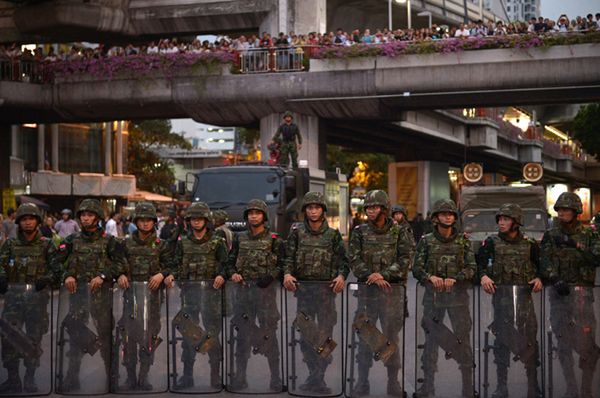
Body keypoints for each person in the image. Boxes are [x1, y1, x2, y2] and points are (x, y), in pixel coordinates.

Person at [283, 192, 349, 394]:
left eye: (317, 207)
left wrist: (341, 276)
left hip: (326, 294)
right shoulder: (297, 232)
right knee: (305, 336)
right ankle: (314, 374)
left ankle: (319, 377)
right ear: (305, 211)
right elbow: (288, 257)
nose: (313, 211)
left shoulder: (333, 235)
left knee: (325, 336)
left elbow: (343, 261)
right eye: (309, 208)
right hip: (304, 293)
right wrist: (286, 274)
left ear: (323, 211)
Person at [56, 199, 125, 392]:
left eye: (90, 215)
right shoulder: (71, 241)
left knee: (105, 338)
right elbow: (55, 262)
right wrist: (66, 275)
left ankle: (111, 377)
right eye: (83, 215)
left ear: (97, 218)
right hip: (78, 298)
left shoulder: (109, 241)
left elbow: (121, 264)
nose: (86, 219)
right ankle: (72, 377)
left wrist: (103, 276)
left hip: (102, 299)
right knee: (77, 338)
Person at [348, 190, 411, 397]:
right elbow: (354, 260)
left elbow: (404, 260)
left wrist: (382, 275)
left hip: (392, 295)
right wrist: (373, 276)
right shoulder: (359, 231)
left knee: (391, 339)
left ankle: (393, 382)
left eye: (375, 207)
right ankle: (362, 382)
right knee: (366, 337)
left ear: (384, 209)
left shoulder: (399, 231)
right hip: (367, 294)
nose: (370, 211)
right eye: (368, 207)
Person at [476, 204, 543, 398]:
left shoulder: (530, 244)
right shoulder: (490, 242)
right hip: (501, 302)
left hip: (525, 302)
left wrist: (539, 278)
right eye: (499, 219)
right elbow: (479, 265)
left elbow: (542, 267)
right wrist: (483, 277)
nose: (501, 223)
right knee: (502, 343)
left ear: (516, 222)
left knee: (530, 342)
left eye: (506, 219)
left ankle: (533, 385)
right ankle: (501, 386)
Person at [412, 199, 476, 398]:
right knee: (430, 343)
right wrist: (429, 277)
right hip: (433, 299)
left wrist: (455, 279)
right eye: (443, 214)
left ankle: (467, 388)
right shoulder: (426, 241)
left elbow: (472, 268)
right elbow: (416, 268)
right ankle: (427, 387)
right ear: (436, 218)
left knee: (463, 341)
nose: (448, 216)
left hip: (458, 300)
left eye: (451, 214)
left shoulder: (463, 242)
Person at [541, 192, 600, 398]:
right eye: (559, 210)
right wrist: (553, 278)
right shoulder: (551, 234)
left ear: (576, 211)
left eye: (566, 209)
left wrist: (574, 244)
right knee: (563, 342)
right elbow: (544, 260)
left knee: (587, 344)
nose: (562, 213)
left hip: (583, 296)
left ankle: (586, 388)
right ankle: (571, 387)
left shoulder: (589, 235)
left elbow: (596, 258)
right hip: (559, 295)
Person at [0, 204, 61, 394]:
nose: (28, 222)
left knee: (33, 341)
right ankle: (13, 378)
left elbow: (57, 269)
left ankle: (30, 378)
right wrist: (2, 277)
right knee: (9, 339)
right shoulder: (10, 244)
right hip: (13, 301)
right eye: (24, 219)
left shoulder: (47, 244)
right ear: (19, 222)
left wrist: (47, 279)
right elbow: (1, 264)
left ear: (37, 221)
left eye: (31, 219)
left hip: (37, 302)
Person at [226, 199, 284, 391]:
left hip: (265, 296)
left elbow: (284, 265)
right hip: (243, 296)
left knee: (270, 337)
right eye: (250, 213)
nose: (253, 216)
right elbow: (229, 263)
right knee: (242, 337)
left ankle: (275, 378)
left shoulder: (274, 240)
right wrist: (232, 273)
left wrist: (271, 276)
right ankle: (240, 377)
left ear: (264, 216)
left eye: (257, 213)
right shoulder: (239, 238)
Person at [116, 202, 174, 391]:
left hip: (153, 301)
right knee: (129, 339)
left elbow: (172, 265)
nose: (146, 223)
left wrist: (162, 274)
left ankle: (144, 376)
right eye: (142, 220)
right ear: (136, 221)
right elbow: (116, 263)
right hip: (130, 301)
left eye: (149, 220)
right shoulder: (125, 244)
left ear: (154, 223)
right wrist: (121, 274)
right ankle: (130, 377)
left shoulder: (161, 245)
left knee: (149, 338)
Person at [172, 202, 227, 389]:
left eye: (200, 219)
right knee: (189, 335)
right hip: (190, 297)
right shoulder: (183, 242)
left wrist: (221, 275)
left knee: (212, 335)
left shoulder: (217, 242)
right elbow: (175, 264)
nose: (196, 222)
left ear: (206, 221)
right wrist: (173, 276)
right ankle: (187, 375)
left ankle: (215, 375)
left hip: (211, 297)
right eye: (193, 219)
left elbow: (227, 265)